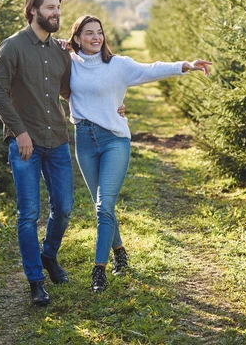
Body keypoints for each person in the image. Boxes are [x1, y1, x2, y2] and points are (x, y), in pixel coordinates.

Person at [0, 0, 124, 306]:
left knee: (63, 208)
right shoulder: (12, 48)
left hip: (58, 141)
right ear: (32, 11)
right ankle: (36, 280)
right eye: (50, 7)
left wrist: (113, 105)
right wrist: (19, 132)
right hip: (26, 144)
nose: (57, 13)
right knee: (28, 214)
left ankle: (49, 255)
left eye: (59, 8)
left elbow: (72, 91)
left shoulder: (61, 51)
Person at [66, 15, 212, 292]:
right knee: (102, 206)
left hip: (114, 140)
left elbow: (152, 69)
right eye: (88, 33)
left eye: (99, 32)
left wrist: (187, 66)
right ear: (77, 38)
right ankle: (120, 250)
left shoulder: (118, 65)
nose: (96, 37)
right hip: (84, 140)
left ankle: (99, 271)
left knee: (102, 206)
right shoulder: (69, 63)